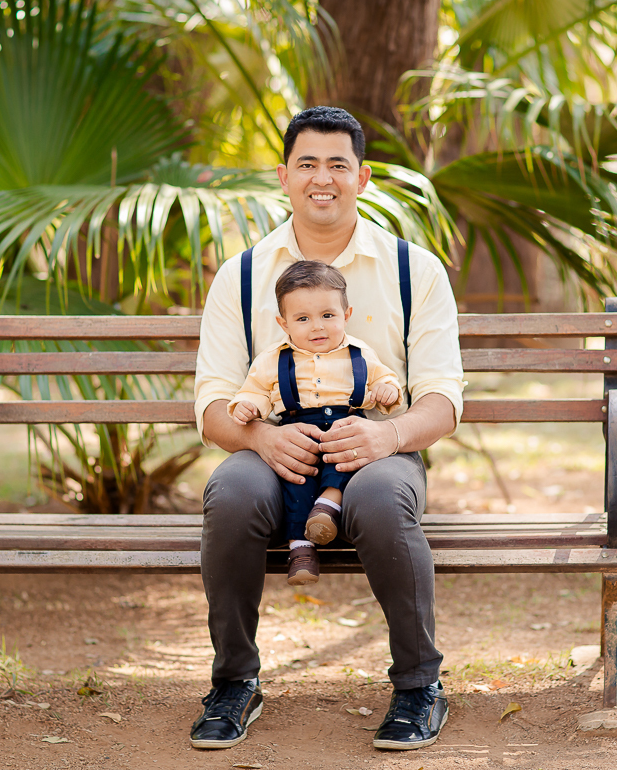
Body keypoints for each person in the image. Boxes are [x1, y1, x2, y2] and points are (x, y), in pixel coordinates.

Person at [191, 106, 464, 752]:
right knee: (230, 493)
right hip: (274, 446)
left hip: (381, 448)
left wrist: (386, 436)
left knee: (381, 497)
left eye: (338, 164)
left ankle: (418, 686)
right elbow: (212, 404)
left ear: (362, 177)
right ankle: (234, 682)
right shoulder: (242, 275)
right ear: (283, 176)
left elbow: (443, 399)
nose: (322, 178)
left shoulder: (414, 269)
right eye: (307, 164)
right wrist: (259, 438)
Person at [229, 260, 403, 586]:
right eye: (303, 319)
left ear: (346, 315)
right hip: (298, 431)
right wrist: (248, 406)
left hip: (346, 425)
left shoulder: (360, 353)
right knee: (296, 480)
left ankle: (328, 505)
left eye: (327, 315)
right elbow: (256, 391)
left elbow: (385, 380)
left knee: (347, 458)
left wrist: (387, 391)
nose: (317, 327)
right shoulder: (273, 359)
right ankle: (301, 551)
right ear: (284, 324)